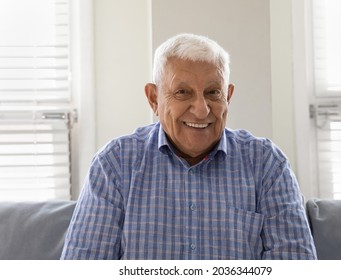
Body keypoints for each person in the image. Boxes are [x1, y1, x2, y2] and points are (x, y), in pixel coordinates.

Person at [61, 33, 317, 260]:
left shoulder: (267, 165)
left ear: (227, 96)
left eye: (212, 92)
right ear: (154, 99)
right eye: (182, 92)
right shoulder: (114, 165)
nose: (201, 109)